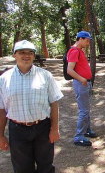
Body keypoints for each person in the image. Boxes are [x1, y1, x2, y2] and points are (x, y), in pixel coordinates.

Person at [0, 40, 63, 173]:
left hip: (42, 128)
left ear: (34, 56)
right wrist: (0, 135)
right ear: (14, 55)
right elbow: (2, 110)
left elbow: (54, 103)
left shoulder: (45, 76)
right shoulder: (4, 79)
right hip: (17, 131)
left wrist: (54, 128)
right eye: (22, 52)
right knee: (22, 168)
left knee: (46, 166)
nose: (26, 55)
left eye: (30, 53)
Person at [67, 31, 98, 146]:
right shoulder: (74, 51)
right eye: (87, 40)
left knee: (86, 109)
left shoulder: (79, 51)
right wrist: (82, 79)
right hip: (81, 84)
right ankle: (79, 137)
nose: (88, 42)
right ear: (80, 39)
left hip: (85, 83)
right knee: (84, 111)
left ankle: (86, 130)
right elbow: (69, 70)